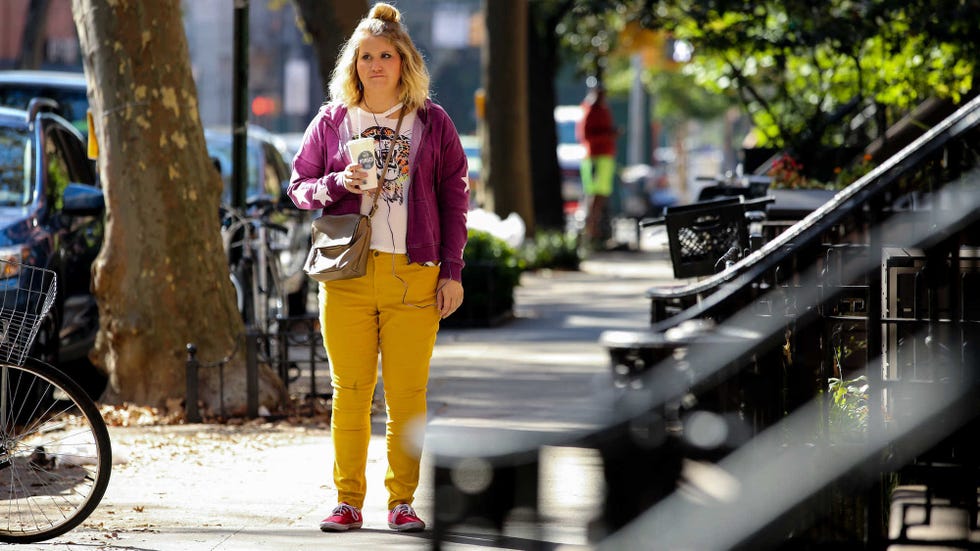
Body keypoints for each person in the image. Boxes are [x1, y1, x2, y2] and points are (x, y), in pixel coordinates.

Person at [287, 2, 469, 534]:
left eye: (385, 54)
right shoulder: (333, 120)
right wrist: (336, 184)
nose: (375, 64)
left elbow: (455, 198)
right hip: (346, 273)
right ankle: (347, 501)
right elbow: (299, 188)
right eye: (365, 56)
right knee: (350, 392)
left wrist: (452, 270)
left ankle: (402, 502)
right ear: (354, 64)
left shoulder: (433, 123)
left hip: (414, 272)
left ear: (403, 61)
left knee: (408, 395)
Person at [576, 83, 618, 250]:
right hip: (595, 158)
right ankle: (590, 235)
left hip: (606, 158)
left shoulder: (603, 110)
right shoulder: (589, 110)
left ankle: (596, 234)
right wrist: (608, 135)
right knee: (594, 198)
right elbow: (585, 136)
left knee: (601, 197)